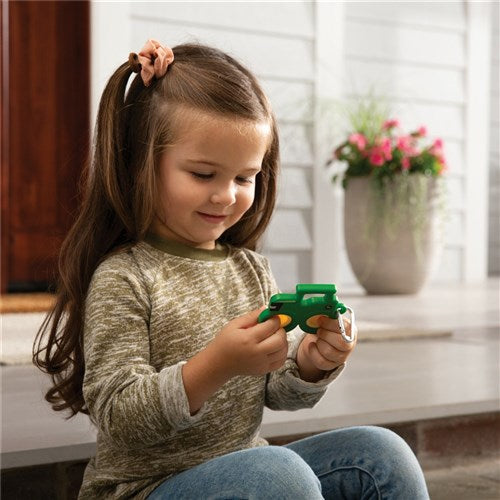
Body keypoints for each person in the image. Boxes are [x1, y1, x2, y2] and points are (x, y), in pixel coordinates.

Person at [34, 40, 429, 499]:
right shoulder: (125, 278)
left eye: (244, 177)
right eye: (203, 174)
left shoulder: (250, 270)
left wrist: (311, 363)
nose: (226, 195)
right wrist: (214, 366)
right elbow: (119, 415)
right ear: (141, 164)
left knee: (381, 454)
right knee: (280, 474)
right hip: (144, 489)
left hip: (247, 477)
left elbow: (277, 390)